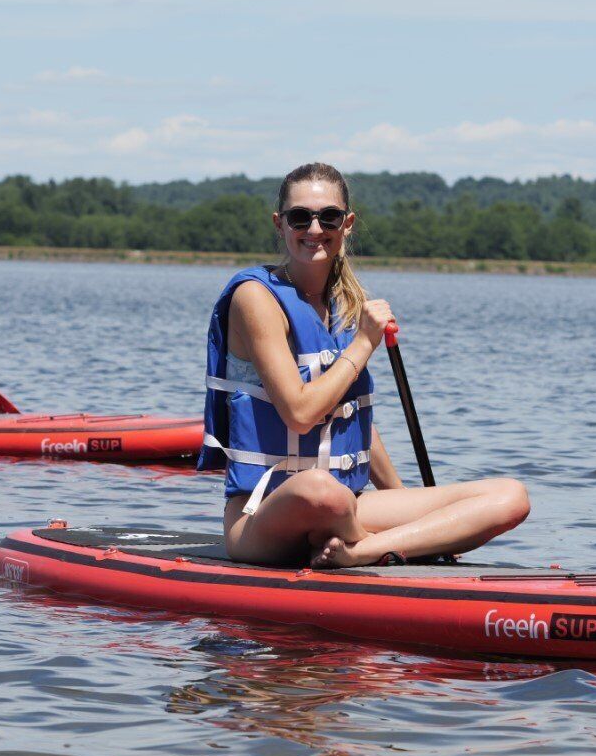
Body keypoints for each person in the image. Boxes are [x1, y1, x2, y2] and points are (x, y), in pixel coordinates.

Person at [199, 162, 530, 568]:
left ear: (347, 223)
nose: (315, 229)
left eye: (329, 217)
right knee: (320, 491)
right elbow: (301, 413)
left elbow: (351, 422)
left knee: (510, 495)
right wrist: (363, 342)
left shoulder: (344, 304)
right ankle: (388, 546)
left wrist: (410, 504)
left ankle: (360, 552)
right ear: (280, 224)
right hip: (263, 515)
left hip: (345, 508)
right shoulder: (256, 298)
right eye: (300, 217)